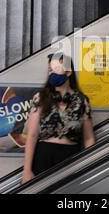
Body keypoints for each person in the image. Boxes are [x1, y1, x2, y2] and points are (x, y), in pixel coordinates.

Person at [22, 53, 96, 183]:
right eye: (50, 69)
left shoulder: (82, 101)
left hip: (71, 159)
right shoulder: (40, 98)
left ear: (68, 72)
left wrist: (90, 166)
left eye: (55, 68)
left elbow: (89, 138)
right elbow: (32, 135)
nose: (51, 72)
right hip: (43, 158)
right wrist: (27, 171)